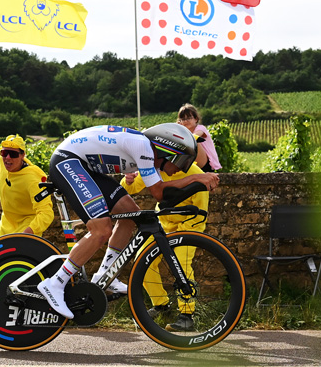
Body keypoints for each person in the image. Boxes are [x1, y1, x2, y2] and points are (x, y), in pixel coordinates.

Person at [34, 123, 219, 319]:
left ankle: (105, 274)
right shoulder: (144, 148)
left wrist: (197, 182)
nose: (181, 168)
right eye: (181, 161)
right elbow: (159, 193)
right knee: (101, 230)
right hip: (68, 161)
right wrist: (196, 179)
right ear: (166, 151)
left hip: (86, 167)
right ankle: (55, 282)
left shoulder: (148, 154)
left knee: (131, 215)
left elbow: (167, 196)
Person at [120, 154, 209, 331]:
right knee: (142, 260)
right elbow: (131, 188)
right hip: (162, 226)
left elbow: (200, 214)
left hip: (188, 227)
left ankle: (187, 315)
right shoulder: (156, 170)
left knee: (182, 264)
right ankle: (161, 305)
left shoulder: (196, 174)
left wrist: (179, 233)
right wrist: (128, 181)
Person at [0, 133, 53, 238]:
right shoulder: (4, 161)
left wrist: (28, 232)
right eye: (5, 152)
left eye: (13, 154)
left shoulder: (32, 178)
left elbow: (46, 214)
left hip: (27, 228)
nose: (7, 158)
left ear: (23, 155)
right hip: (6, 226)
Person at [177, 103, 220, 172]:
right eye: (183, 119)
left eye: (189, 118)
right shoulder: (181, 132)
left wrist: (180, 130)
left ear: (196, 119)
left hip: (206, 164)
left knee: (194, 140)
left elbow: (194, 137)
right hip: (191, 164)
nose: (186, 121)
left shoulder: (201, 128)